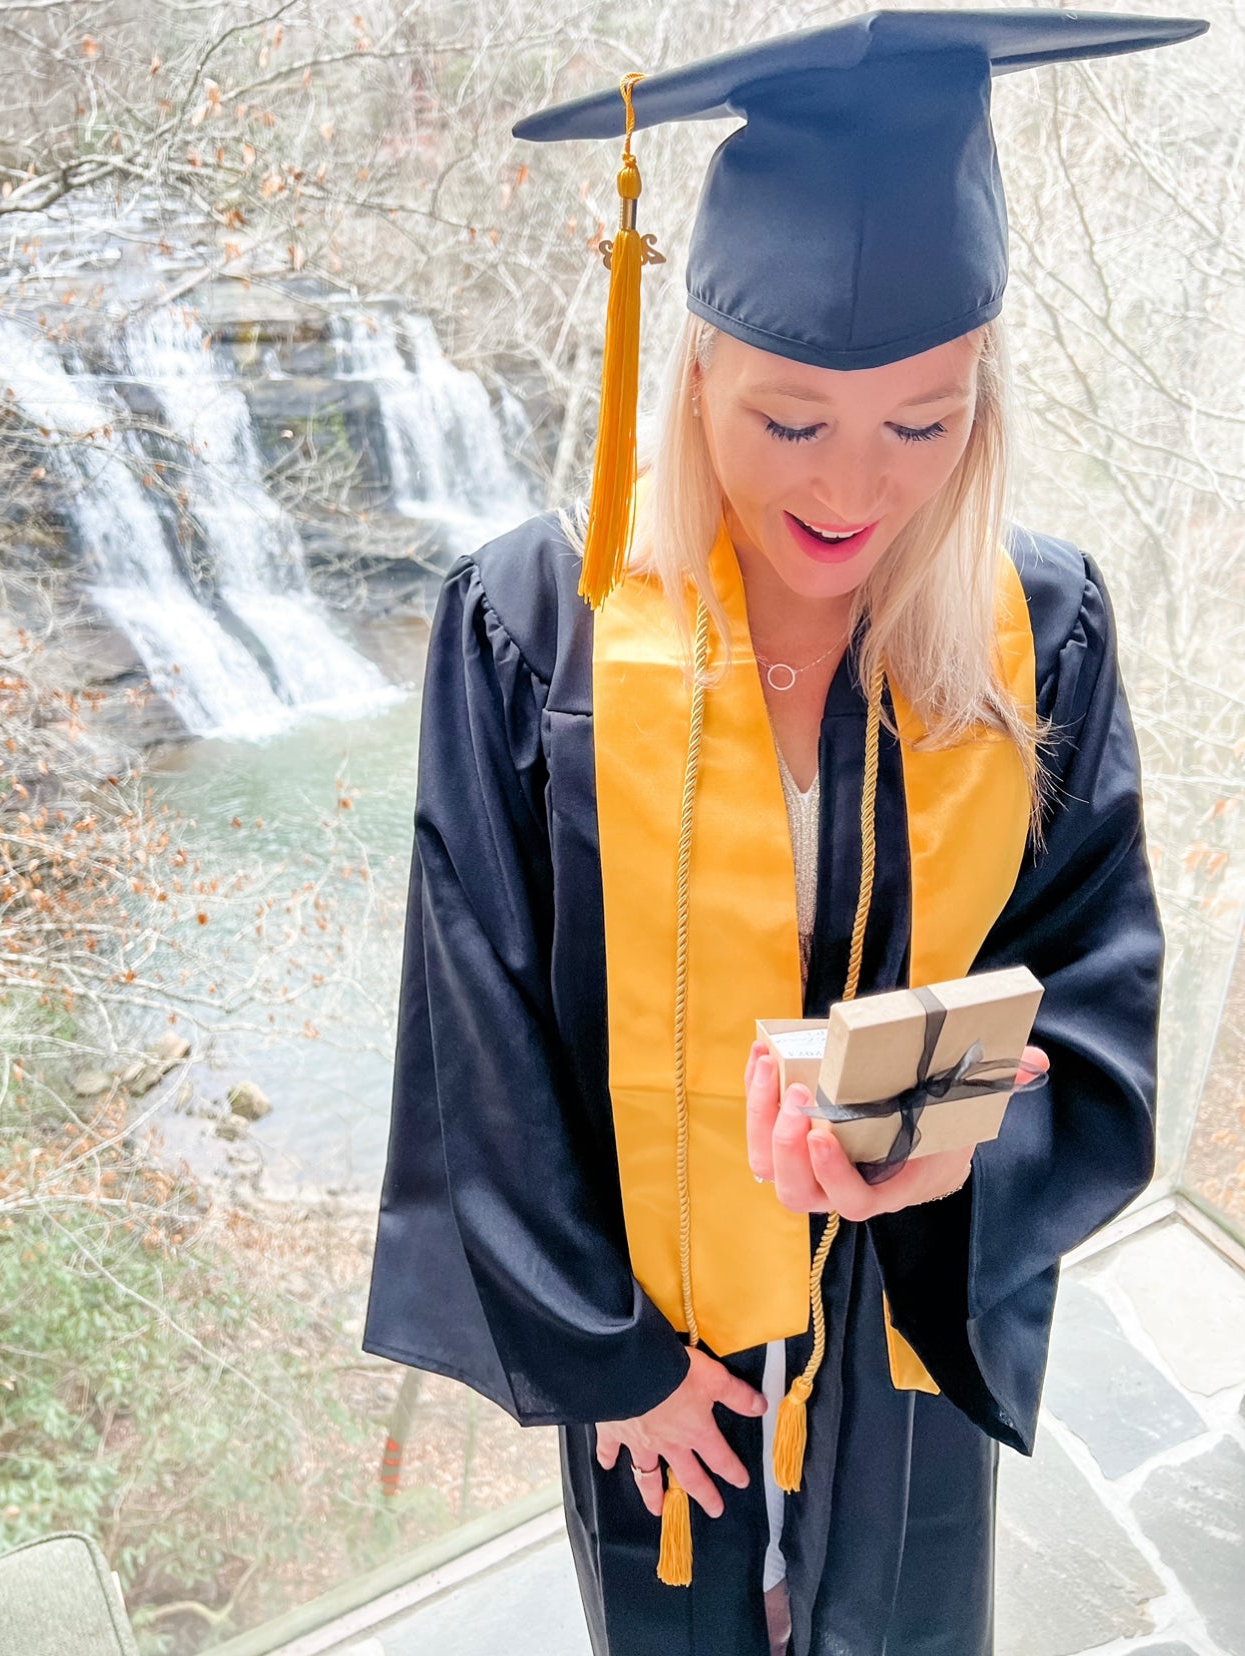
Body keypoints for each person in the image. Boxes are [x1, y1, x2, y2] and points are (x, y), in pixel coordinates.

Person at [363, 12, 1207, 1655]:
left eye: (924, 420)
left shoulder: (1043, 624)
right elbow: (472, 1011)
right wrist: (600, 1357)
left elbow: (1097, 972)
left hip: (912, 1321)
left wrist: (971, 1160)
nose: (855, 489)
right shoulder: (542, 628)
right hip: (658, 1338)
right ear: (692, 373)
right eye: (792, 416)